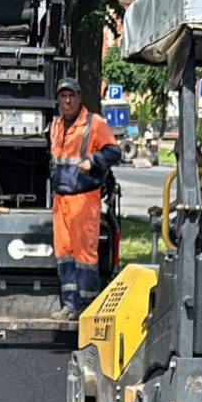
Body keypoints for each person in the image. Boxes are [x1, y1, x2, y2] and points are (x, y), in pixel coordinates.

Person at [49, 77, 122, 320]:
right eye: (63, 96)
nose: (67, 100)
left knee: (85, 256)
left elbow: (113, 151)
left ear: (80, 98)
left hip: (84, 199)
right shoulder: (56, 125)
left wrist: (92, 161)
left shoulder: (94, 123)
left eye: (71, 96)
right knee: (65, 253)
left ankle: (88, 309)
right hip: (61, 200)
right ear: (58, 99)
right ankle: (70, 305)